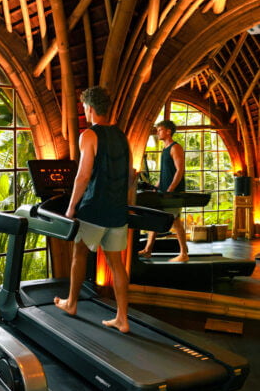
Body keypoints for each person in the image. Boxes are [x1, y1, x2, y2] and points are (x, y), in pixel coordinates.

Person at [54, 86, 134, 333]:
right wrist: (127, 206)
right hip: (117, 211)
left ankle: (71, 303)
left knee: (79, 253)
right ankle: (122, 318)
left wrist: (71, 208)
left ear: (89, 108)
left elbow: (83, 176)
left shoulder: (89, 135)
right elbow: (130, 175)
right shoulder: (122, 136)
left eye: (84, 108)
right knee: (116, 264)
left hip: (94, 209)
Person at [138, 119, 189, 262]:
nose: (157, 132)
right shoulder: (165, 149)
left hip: (173, 192)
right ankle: (148, 250)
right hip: (164, 191)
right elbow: (164, 173)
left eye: (160, 130)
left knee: (176, 221)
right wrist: (157, 187)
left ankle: (184, 254)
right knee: (155, 218)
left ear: (168, 131)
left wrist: (171, 189)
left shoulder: (175, 147)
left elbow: (180, 170)